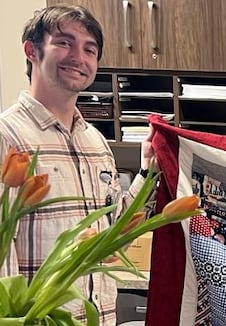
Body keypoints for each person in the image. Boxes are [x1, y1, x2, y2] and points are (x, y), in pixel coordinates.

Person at [0, 4, 154, 325]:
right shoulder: (6, 136)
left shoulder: (95, 143)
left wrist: (147, 172)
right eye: (64, 43)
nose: (78, 58)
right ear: (31, 50)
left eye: (89, 49)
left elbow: (114, 235)